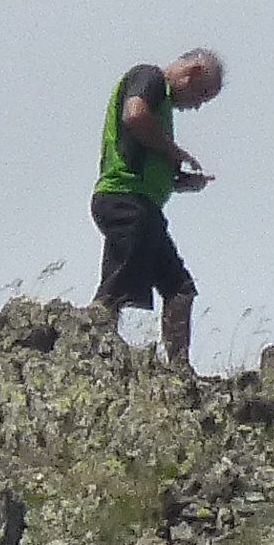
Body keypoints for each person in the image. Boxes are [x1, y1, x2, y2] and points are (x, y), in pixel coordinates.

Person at [93, 49, 224, 373]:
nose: (196, 105)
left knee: (179, 287)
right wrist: (174, 150)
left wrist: (178, 180)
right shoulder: (149, 77)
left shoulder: (162, 106)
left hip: (141, 203)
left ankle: (179, 369)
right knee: (120, 279)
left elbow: (144, 155)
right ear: (193, 72)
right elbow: (134, 116)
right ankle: (90, 338)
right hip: (125, 197)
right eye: (201, 94)